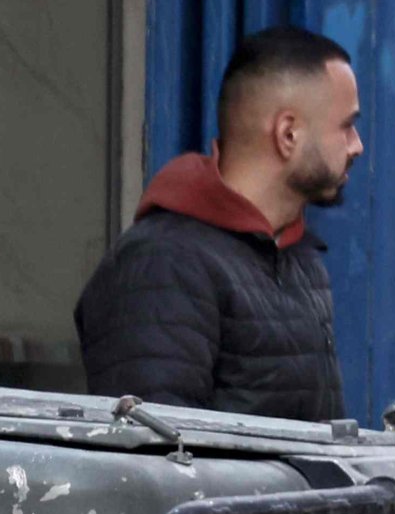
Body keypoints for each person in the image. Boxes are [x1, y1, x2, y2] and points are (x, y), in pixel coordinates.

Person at [73, 24, 360, 418]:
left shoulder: (298, 259)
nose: (356, 145)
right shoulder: (161, 265)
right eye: (346, 126)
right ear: (288, 134)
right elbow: (157, 459)